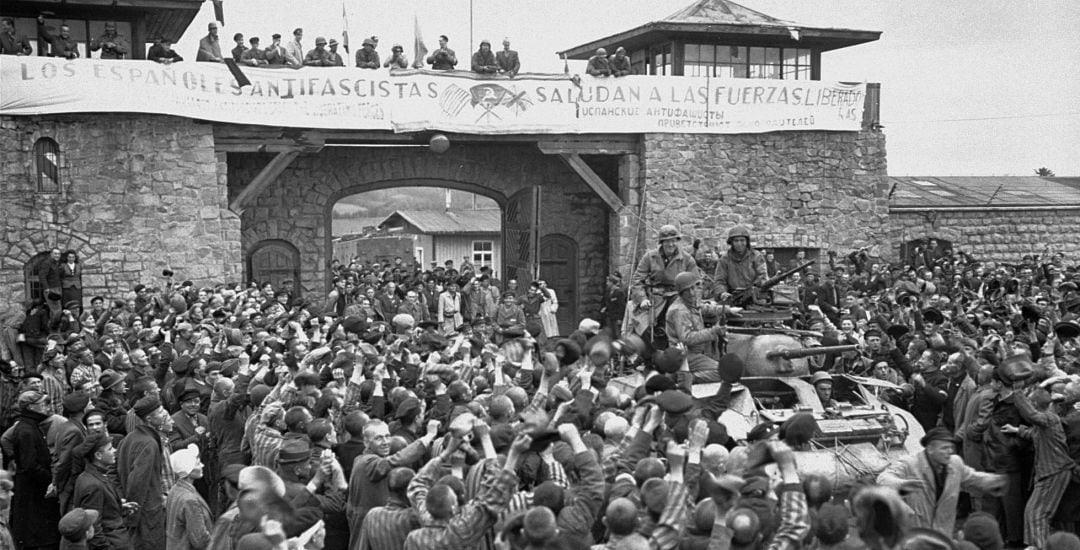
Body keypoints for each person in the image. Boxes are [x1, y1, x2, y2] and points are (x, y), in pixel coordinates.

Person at [877, 427, 1006, 535]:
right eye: (944, 448)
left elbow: (971, 478)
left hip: (942, 534)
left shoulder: (955, 463)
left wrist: (995, 481)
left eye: (951, 448)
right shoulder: (910, 463)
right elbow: (883, 479)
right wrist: (902, 484)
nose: (949, 452)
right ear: (930, 449)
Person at [346, 419, 438, 549]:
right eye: (379, 438)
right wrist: (428, 437)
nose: (385, 442)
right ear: (366, 442)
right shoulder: (369, 463)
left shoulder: (360, 460)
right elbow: (395, 460)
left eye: (387, 436)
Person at [116, 395, 174, 550]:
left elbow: (115, 471)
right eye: (161, 412)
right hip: (146, 514)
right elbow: (138, 481)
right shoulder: (149, 444)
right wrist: (132, 515)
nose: (164, 415)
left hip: (136, 509)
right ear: (149, 418)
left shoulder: (128, 439)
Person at [627, 224, 698, 346]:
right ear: (661, 243)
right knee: (642, 323)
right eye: (667, 242)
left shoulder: (687, 259)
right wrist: (642, 299)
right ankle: (650, 352)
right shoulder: (650, 257)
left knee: (681, 320)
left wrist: (695, 300)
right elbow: (637, 280)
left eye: (674, 241)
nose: (671, 245)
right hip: (655, 297)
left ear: (677, 241)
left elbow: (697, 282)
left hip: (678, 296)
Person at [9, 391, 62, 550]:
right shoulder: (26, 430)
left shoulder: (29, 426)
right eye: (44, 404)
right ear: (32, 407)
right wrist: (49, 479)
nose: (47, 407)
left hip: (34, 489)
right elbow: (29, 465)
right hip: (34, 491)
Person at [665, 271, 732, 383]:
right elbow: (687, 338)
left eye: (693, 288)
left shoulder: (689, 303)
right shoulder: (679, 310)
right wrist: (714, 331)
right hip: (684, 354)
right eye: (687, 290)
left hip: (696, 352)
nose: (692, 293)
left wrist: (728, 310)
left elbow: (703, 308)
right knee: (722, 372)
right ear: (681, 293)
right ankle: (687, 378)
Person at [72, 431, 134, 549]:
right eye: (110, 449)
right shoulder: (93, 484)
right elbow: (93, 526)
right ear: (98, 456)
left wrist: (119, 506)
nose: (115, 450)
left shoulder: (94, 476)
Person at [166, 445, 213, 550]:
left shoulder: (175, 490)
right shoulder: (189, 499)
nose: (202, 465)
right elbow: (200, 540)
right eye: (197, 463)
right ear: (189, 470)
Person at [712, 225, 767, 304]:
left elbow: (763, 276)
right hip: (733, 298)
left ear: (747, 242)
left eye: (742, 240)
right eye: (736, 241)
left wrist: (753, 289)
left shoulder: (756, 256)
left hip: (755, 298)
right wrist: (722, 293)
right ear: (731, 242)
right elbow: (719, 281)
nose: (739, 243)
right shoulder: (724, 259)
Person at [60, 250, 82, 316]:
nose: (71, 259)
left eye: (73, 257)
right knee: (67, 303)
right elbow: (60, 276)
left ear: (75, 258)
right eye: (69, 257)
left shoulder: (78, 265)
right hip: (67, 287)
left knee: (77, 302)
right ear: (67, 258)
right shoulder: (63, 266)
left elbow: (80, 276)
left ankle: (77, 316)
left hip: (76, 287)